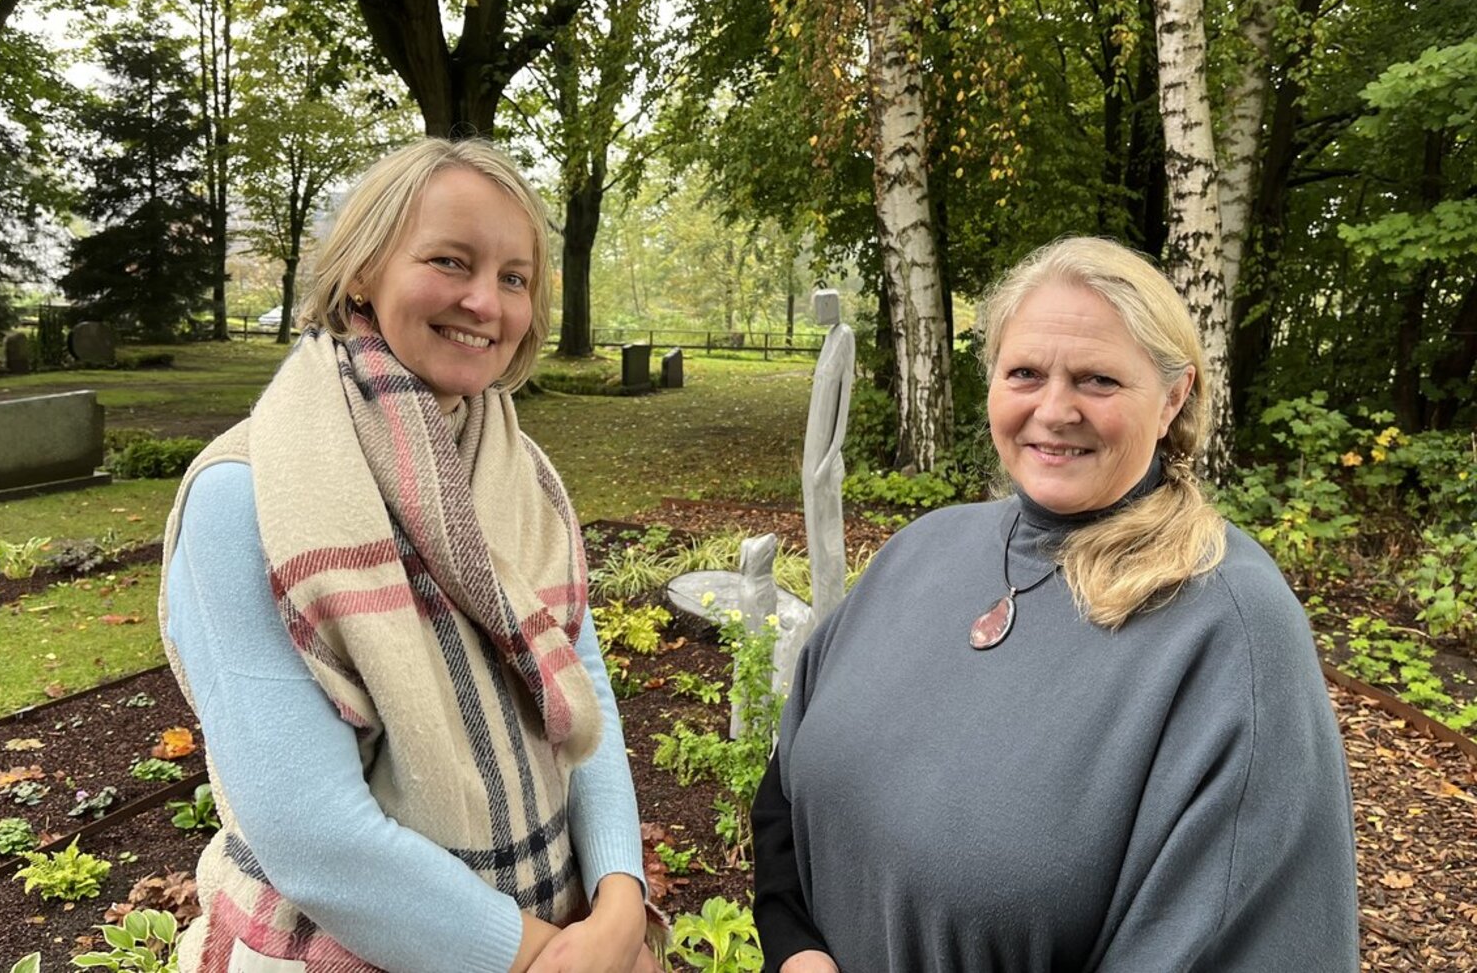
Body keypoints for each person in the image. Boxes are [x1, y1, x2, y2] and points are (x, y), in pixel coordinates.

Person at [752, 236, 1358, 972]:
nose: (1055, 408)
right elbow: (787, 784)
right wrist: (797, 952)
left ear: (1173, 397)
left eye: (1098, 379)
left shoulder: (1229, 628)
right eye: (1026, 372)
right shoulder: (923, 548)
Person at [158, 138, 658, 973]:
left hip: (558, 922)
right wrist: (548, 957)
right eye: (449, 260)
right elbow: (312, 837)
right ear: (363, 270)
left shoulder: (521, 475)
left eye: (514, 277)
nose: (484, 302)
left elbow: (583, 687)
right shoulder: (245, 492)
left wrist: (617, 902)